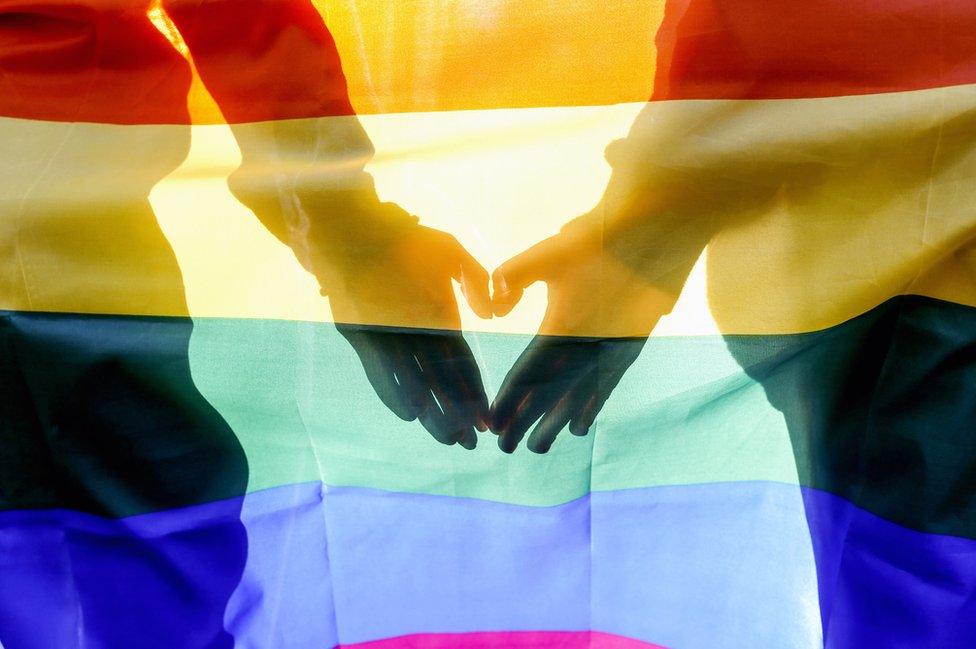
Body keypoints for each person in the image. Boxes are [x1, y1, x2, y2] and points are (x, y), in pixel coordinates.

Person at [0, 0, 489, 646]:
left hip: (49, 194)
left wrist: (347, 232)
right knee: (134, 565)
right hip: (45, 207)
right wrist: (347, 230)